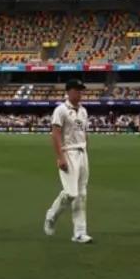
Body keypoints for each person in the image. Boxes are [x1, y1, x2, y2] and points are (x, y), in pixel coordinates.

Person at [44, 79, 92, 243]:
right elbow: (55, 134)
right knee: (71, 193)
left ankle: (79, 232)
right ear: (69, 91)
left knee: (82, 194)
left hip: (82, 153)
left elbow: (84, 133)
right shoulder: (61, 110)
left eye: (81, 90)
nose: (81, 93)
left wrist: (86, 150)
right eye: (78, 90)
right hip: (68, 152)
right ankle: (51, 215)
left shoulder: (84, 111)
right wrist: (60, 157)